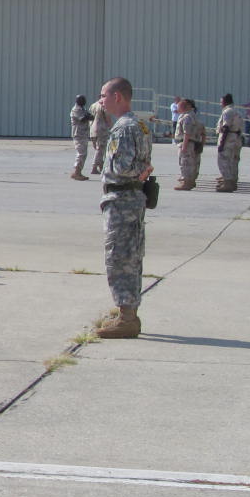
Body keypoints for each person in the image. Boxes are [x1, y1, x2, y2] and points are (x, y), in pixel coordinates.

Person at [97, 76, 153, 339]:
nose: (101, 100)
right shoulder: (140, 124)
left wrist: (141, 171)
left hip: (121, 201)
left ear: (117, 97)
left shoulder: (123, 128)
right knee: (131, 256)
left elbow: (122, 167)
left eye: (104, 95)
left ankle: (127, 317)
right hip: (133, 200)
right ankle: (127, 312)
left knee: (119, 258)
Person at [173, 98, 204, 191]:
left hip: (186, 142)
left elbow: (187, 133)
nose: (179, 107)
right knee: (189, 163)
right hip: (189, 142)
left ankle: (186, 183)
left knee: (185, 163)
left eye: (181, 105)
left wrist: (184, 147)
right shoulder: (190, 116)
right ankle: (189, 181)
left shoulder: (187, 117)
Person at [214, 94, 243, 192]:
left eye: (221, 102)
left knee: (223, 160)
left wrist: (222, 143)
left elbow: (226, 127)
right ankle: (233, 182)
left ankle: (227, 182)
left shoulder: (227, 111)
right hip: (236, 137)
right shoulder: (237, 111)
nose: (220, 104)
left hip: (228, 138)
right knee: (233, 161)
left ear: (225, 102)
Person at [69, 95, 91, 180]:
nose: (84, 101)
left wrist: (88, 116)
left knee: (84, 153)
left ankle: (79, 172)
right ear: (77, 101)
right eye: (82, 100)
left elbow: (90, 117)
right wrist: (88, 117)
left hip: (83, 134)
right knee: (81, 153)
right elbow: (82, 118)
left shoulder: (82, 109)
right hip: (78, 134)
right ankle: (76, 172)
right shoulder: (76, 109)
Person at [89, 97, 112, 174]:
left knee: (98, 149)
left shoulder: (93, 105)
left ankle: (101, 166)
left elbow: (89, 117)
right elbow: (107, 117)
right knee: (100, 149)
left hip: (92, 129)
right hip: (101, 129)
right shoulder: (104, 106)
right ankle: (94, 167)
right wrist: (112, 127)